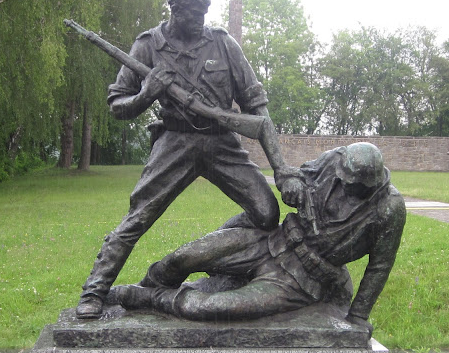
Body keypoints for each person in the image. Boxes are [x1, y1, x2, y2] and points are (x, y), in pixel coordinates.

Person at [76, 0, 291, 319]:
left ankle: (221, 260)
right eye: (192, 14)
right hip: (175, 142)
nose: (199, 22)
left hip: (222, 142)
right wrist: (147, 94)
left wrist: (280, 167)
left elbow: (256, 107)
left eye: (203, 13)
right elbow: (118, 105)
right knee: (139, 216)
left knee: (266, 212)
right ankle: (94, 291)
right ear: (175, 9)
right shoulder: (147, 44)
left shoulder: (223, 43)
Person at [115, 143, 406, 333]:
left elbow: (380, 266)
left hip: (300, 281)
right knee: (182, 258)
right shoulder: (337, 160)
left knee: (206, 307)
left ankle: (143, 298)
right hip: (271, 240)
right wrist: (292, 183)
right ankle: (140, 289)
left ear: (371, 183)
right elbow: (298, 174)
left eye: (353, 186)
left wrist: (357, 318)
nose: (344, 187)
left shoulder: (388, 209)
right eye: (343, 180)